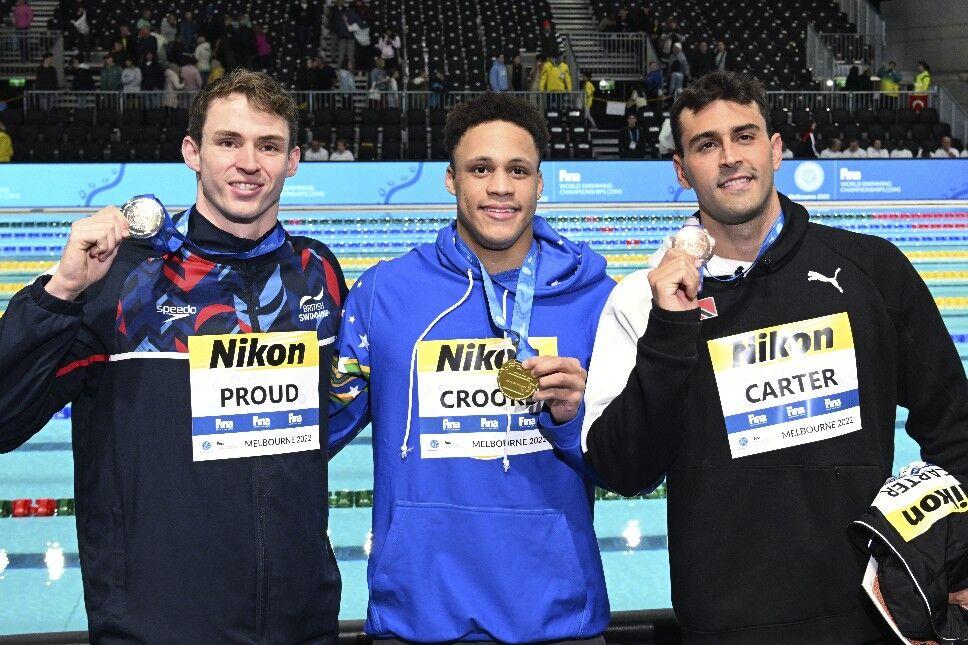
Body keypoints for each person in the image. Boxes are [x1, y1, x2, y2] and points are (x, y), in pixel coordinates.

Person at [569, 70, 968, 642]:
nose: (730, 157)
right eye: (707, 145)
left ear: (776, 149)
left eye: (745, 136)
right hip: (723, 625)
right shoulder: (641, 299)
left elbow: (955, 428)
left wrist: (955, 560)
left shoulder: (872, 271)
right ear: (682, 171)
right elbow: (620, 469)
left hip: (869, 620)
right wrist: (670, 329)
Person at [0, 68, 344, 643]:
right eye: (228, 142)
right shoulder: (123, 282)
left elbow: (342, 409)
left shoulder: (317, 275)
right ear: (193, 151)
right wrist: (59, 291)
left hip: (299, 623)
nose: (248, 163)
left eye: (269, 145)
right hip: (160, 626)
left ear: (293, 161)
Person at [328, 91, 613, 644]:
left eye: (518, 170)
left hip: (556, 621)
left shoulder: (595, 301)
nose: (500, 187)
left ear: (540, 182)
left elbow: (632, 469)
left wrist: (576, 418)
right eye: (480, 168)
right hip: (416, 618)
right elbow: (316, 429)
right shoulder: (384, 294)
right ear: (451, 180)